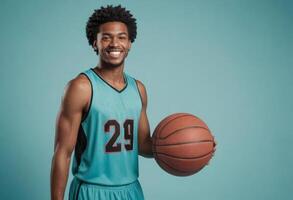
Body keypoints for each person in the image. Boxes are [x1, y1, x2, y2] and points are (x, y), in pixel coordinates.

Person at [50, 5, 153, 200]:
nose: (115, 43)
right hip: (91, 190)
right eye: (106, 37)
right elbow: (62, 153)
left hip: (131, 191)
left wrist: (193, 146)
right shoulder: (81, 87)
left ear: (130, 43)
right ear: (94, 43)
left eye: (122, 37)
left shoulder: (138, 89)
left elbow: (144, 145)